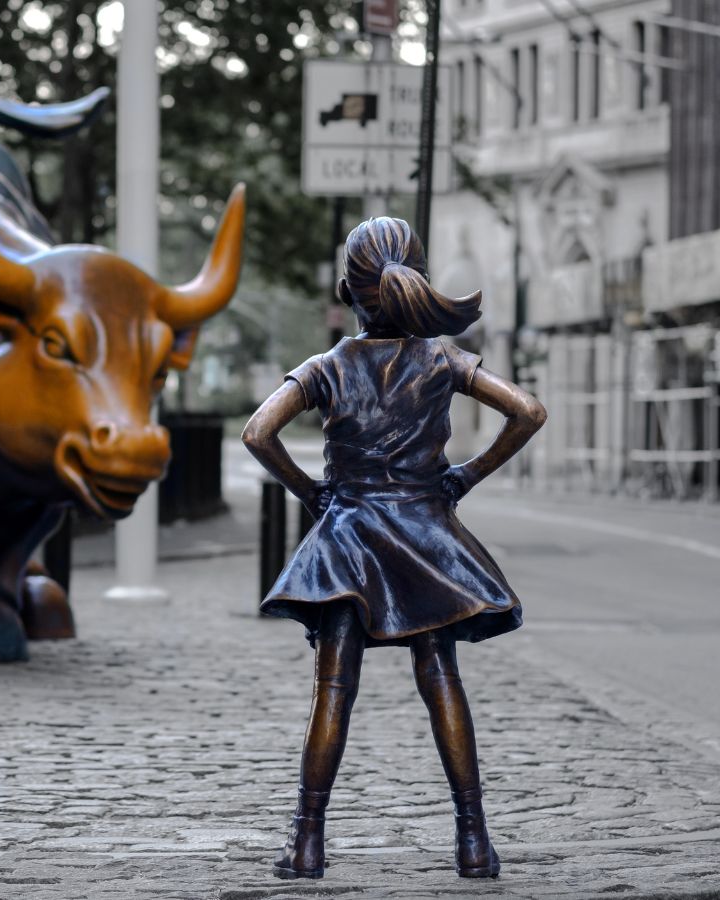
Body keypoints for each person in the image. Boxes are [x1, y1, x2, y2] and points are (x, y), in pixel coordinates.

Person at [242, 217, 546, 880]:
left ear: (350, 291)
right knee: (441, 681)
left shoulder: (328, 367)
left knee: (333, 689)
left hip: (348, 538)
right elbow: (527, 411)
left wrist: (313, 493)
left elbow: (259, 432)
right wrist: (463, 477)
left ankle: (307, 842)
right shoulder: (442, 360)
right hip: (425, 537)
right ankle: (473, 842)